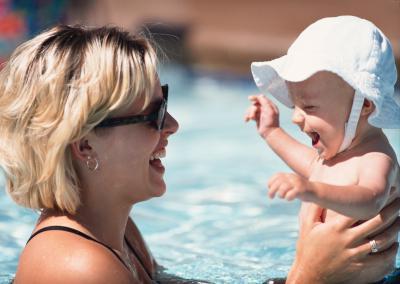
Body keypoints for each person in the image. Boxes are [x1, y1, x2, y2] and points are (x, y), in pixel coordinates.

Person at [0, 24, 398, 284]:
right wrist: (308, 277)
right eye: (152, 114)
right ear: (85, 144)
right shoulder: (77, 269)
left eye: (165, 102)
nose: (172, 124)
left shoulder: (117, 234)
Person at [245, 16, 400, 282]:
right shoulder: (335, 155)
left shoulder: (376, 157)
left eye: (309, 107)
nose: (295, 117)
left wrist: (312, 191)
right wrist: (271, 132)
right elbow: (311, 166)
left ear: (364, 105)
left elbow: (370, 199)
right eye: (294, 106)